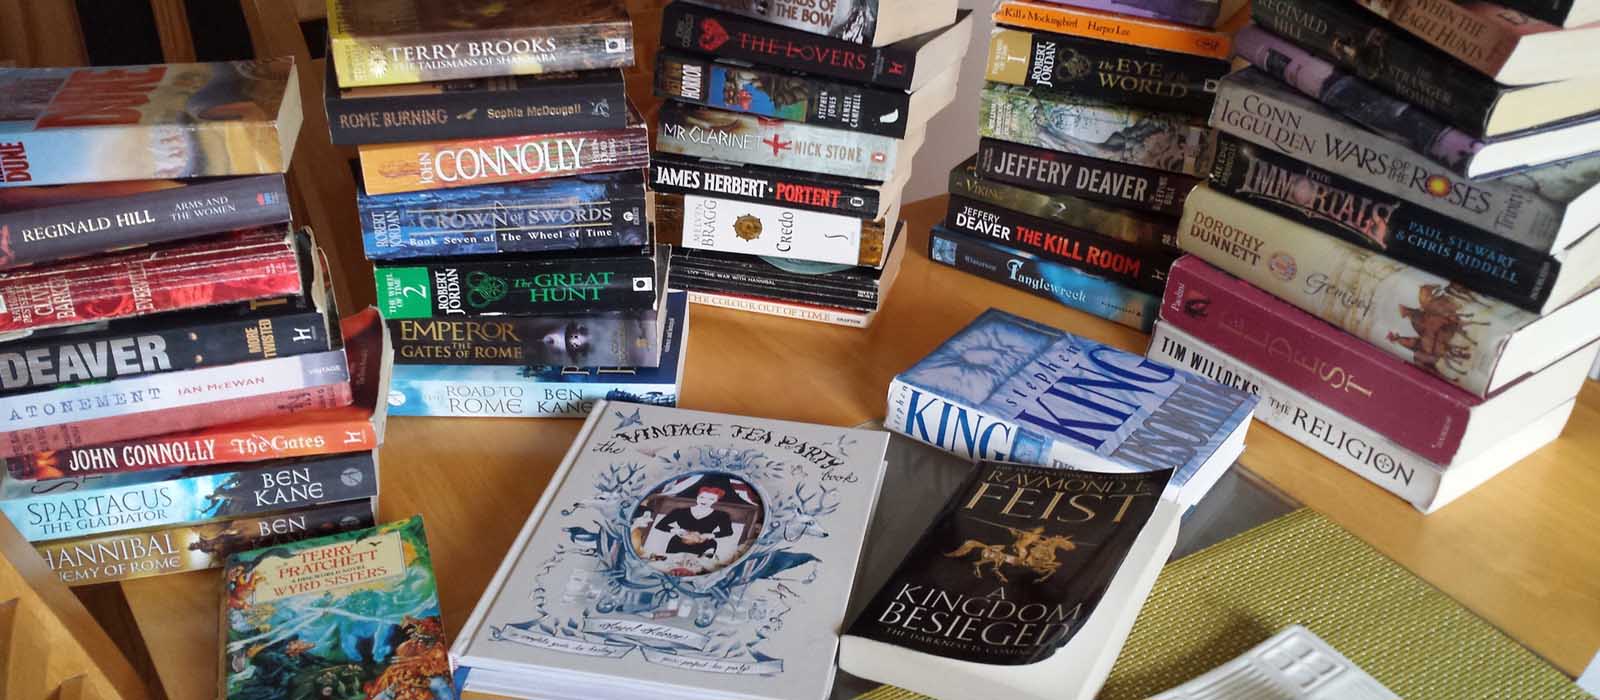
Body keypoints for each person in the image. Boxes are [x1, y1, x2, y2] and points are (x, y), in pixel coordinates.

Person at [655, 486, 735, 558]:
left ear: (716, 500)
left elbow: (728, 532)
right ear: (697, 496)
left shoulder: (721, 515)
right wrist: (677, 531)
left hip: (705, 544)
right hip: (678, 542)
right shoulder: (680, 511)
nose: (705, 501)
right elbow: (660, 525)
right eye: (702, 497)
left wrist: (710, 535)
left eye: (711, 499)